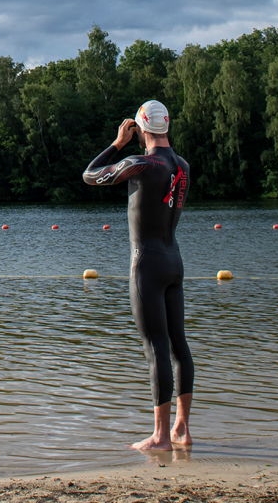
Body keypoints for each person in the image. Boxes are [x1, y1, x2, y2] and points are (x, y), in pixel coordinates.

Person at [82, 100, 194, 451]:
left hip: (146, 264)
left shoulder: (140, 163)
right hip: (174, 261)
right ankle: (182, 430)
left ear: (142, 129)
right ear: (167, 125)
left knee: (156, 348)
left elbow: (90, 175)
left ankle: (160, 437)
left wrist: (117, 143)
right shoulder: (183, 165)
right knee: (179, 346)